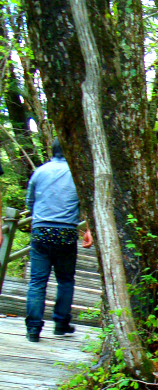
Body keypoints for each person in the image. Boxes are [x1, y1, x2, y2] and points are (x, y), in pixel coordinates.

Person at [25, 139, 92, 342]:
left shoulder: (39, 172)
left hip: (41, 230)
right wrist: (88, 228)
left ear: (52, 151)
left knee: (37, 281)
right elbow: (86, 201)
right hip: (66, 232)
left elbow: (30, 202)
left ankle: (33, 329)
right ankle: (61, 323)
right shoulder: (77, 174)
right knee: (65, 280)